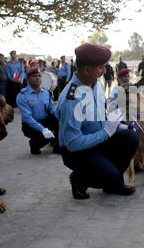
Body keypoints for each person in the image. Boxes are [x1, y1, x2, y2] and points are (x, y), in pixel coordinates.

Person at [55, 43, 139, 199]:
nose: (104, 71)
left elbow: (101, 115)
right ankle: (79, 180)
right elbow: (73, 143)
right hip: (77, 151)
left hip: (97, 140)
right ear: (87, 69)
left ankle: (113, 184)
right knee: (108, 174)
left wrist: (117, 126)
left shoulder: (96, 85)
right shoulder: (71, 98)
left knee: (131, 138)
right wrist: (106, 132)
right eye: (100, 68)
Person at [16, 67, 60, 155]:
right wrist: (43, 129)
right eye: (34, 76)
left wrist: (60, 120)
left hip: (44, 120)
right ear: (28, 79)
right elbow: (28, 118)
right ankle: (34, 144)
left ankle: (57, 147)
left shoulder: (46, 92)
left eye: (39, 76)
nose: (37, 78)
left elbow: (51, 110)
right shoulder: (22, 95)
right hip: (30, 125)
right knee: (41, 137)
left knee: (60, 121)